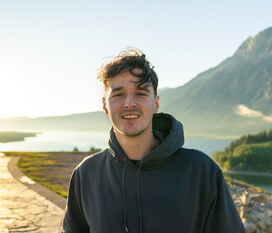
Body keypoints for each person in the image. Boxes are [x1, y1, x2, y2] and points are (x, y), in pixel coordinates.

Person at [61, 48, 245, 233]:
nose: (130, 103)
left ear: (156, 103)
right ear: (105, 105)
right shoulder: (86, 175)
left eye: (141, 93)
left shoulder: (201, 172)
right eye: (118, 94)